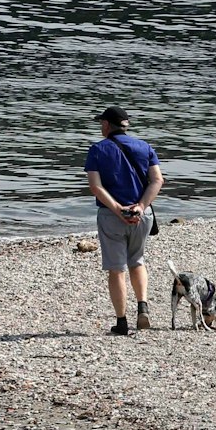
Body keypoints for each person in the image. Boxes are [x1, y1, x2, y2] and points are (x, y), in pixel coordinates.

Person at [84, 106, 165, 335]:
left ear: (107, 125)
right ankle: (143, 306)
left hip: (112, 216)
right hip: (142, 215)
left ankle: (121, 322)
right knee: (137, 260)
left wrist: (118, 209)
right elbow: (157, 180)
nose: (101, 126)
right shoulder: (145, 147)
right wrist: (140, 206)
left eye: (102, 123)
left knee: (116, 268)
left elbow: (95, 186)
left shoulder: (97, 150)